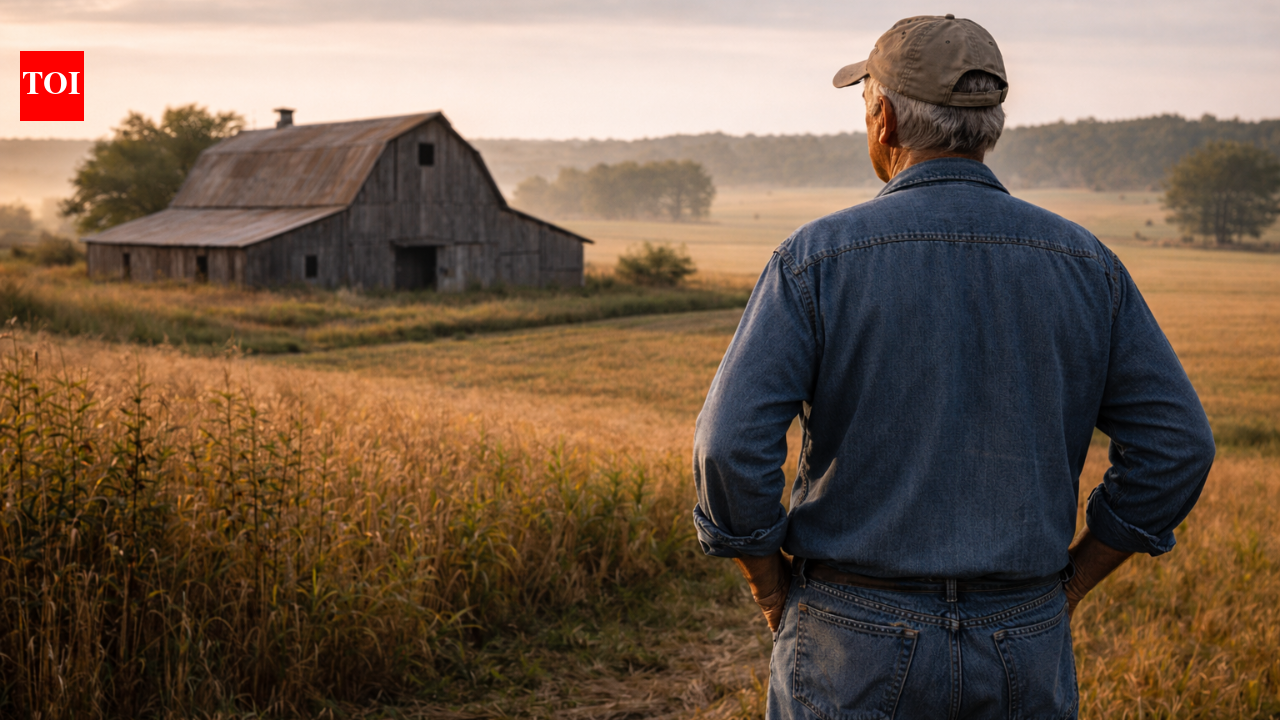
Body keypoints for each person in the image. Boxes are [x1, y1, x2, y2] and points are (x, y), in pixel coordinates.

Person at [691, 14, 1215, 719]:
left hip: (851, 633)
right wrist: (1072, 584)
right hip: (1023, 634)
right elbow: (1178, 448)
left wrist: (769, 587)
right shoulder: (1089, 264)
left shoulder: (814, 260)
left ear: (883, 120)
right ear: (988, 126)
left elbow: (727, 447)